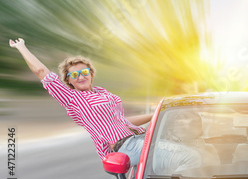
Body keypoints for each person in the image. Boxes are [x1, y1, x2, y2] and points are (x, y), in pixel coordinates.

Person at [9, 38, 153, 165]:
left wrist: (155, 115)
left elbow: (122, 121)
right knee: (172, 154)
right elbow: (40, 71)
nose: (80, 77)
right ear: (69, 80)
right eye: (74, 75)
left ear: (90, 73)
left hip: (136, 139)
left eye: (84, 72)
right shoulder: (72, 98)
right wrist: (22, 47)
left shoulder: (103, 93)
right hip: (124, 148)